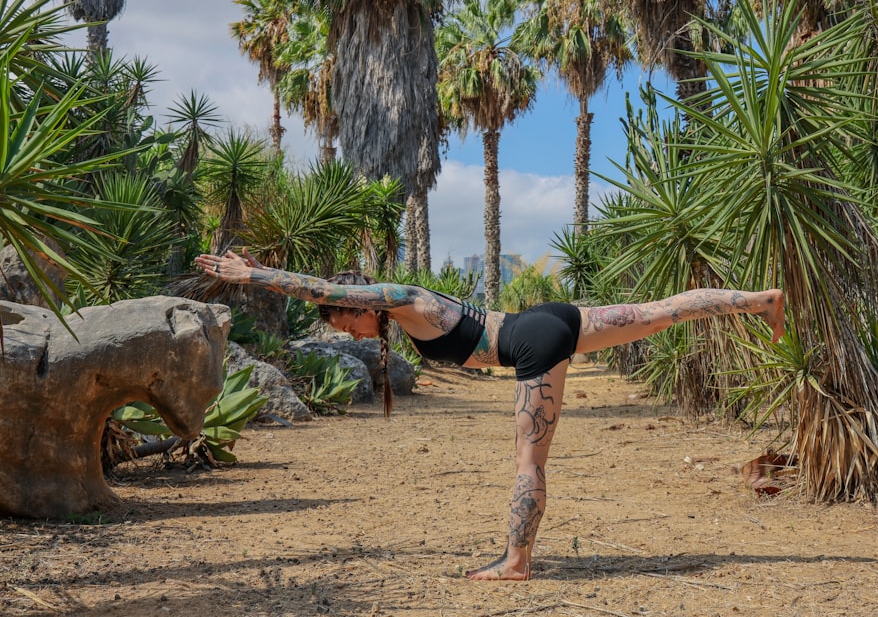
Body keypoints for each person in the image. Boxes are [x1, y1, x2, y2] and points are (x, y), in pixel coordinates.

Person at [196, 248, 785, 581]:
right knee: (661, 312)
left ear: (358, 303)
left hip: (531, 345)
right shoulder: (409, 312)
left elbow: (321, 287)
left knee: (529, 462)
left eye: (345, 319)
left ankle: (516, 561)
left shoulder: (403, 297)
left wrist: (255, 277)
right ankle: (761, 302)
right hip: (546, 320)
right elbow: (332, 295)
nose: (347, 328)